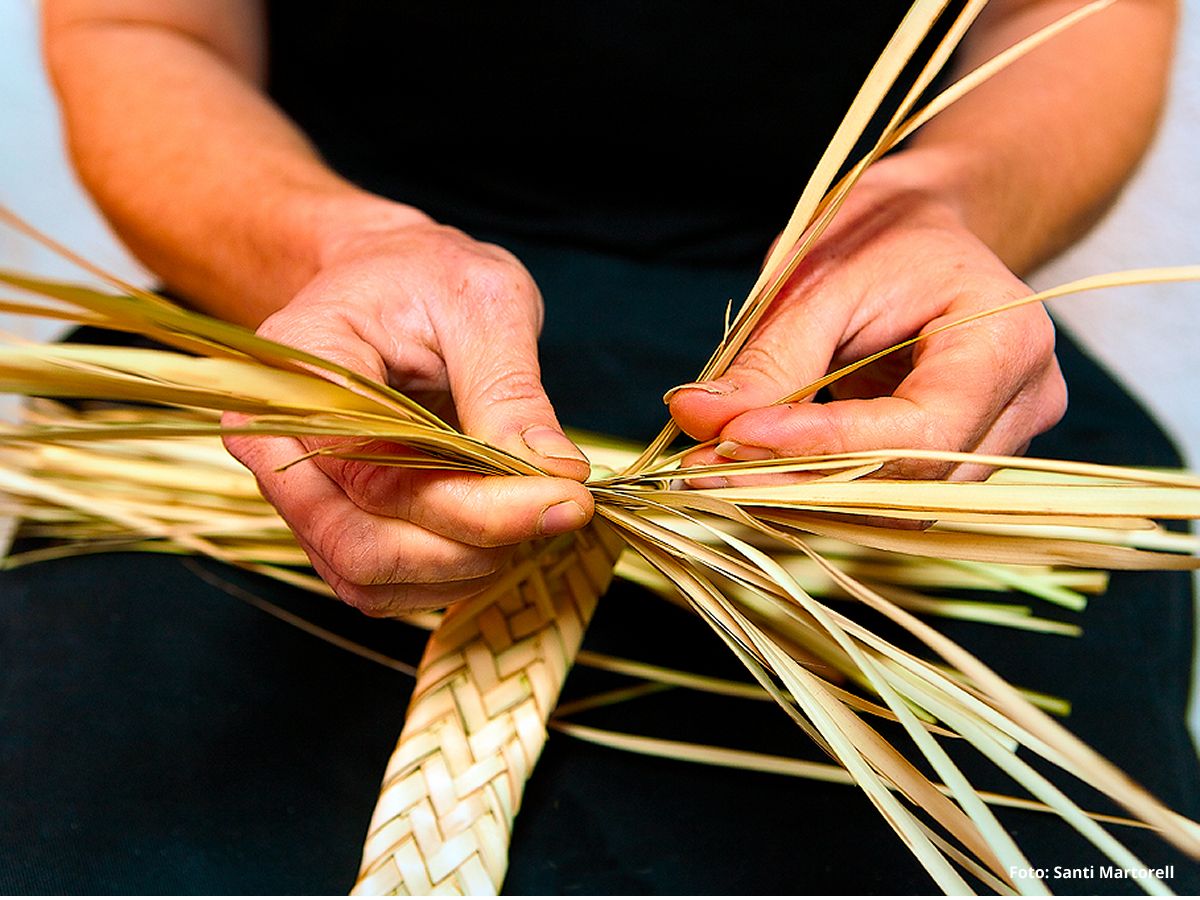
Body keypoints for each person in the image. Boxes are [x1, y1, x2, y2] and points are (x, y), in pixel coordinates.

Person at [4, 0, 1193, 893]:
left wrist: (943, 209)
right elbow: (142, 27)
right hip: (330, 305)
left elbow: (1084, 17)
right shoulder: (331, 290)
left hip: (867, 324)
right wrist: (323, 251)